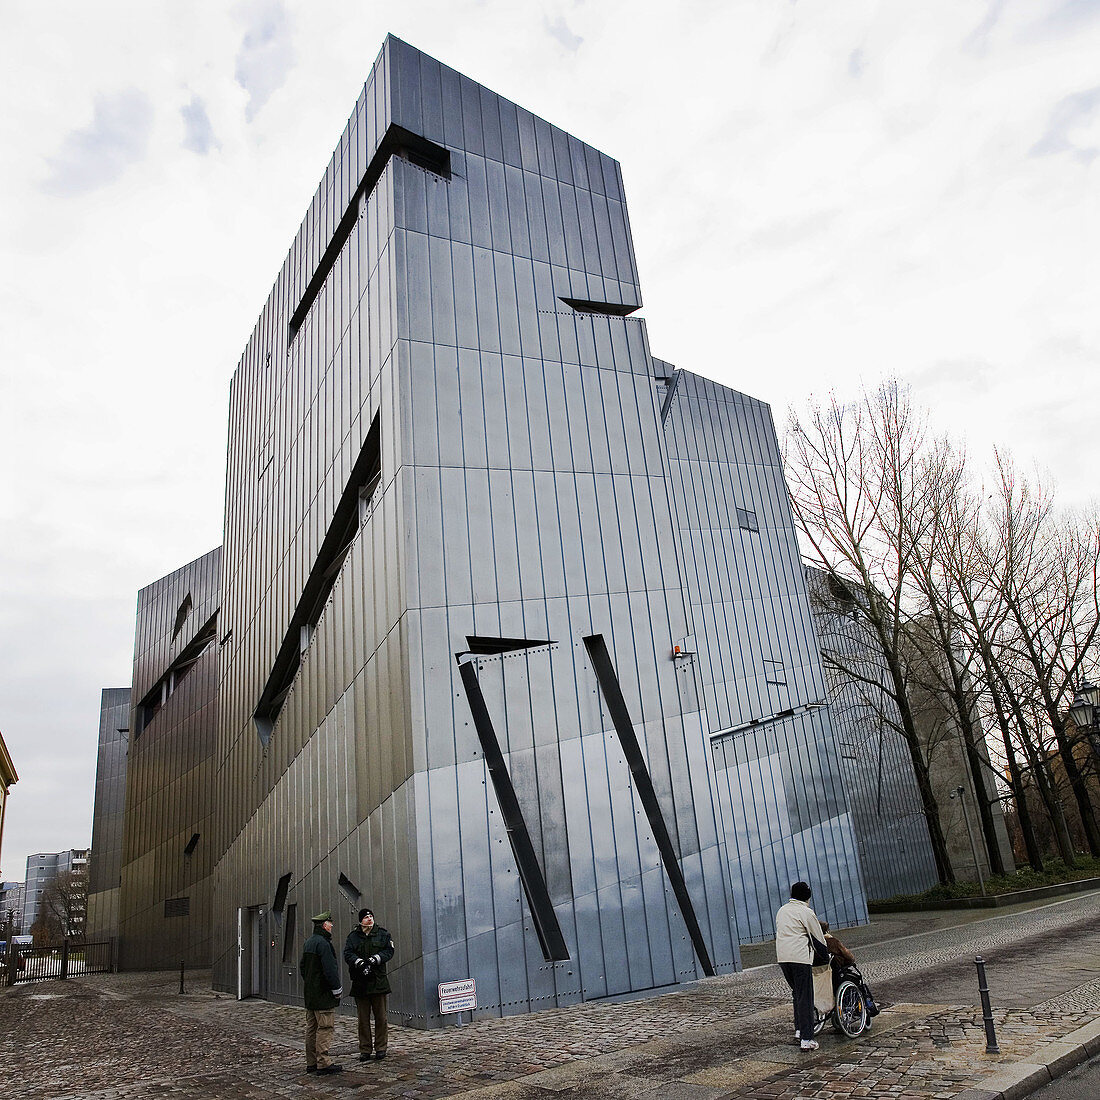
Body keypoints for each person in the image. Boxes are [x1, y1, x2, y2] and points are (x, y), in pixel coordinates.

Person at [775, 880, 827, 1051]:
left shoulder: (782, 910)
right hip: (799, 958)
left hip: (783, 958)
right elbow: (818, 939)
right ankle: (807, 1039)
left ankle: (799, 1030)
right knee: (805, 997)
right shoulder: (806, 912)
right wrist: (826, 956)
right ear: (808, 896)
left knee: (797, 994)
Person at [344, 907, 395, 1061]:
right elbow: (347, 953)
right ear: (361, 921)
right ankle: (365, 1049)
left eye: (371, 916)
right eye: (366, 917)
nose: (369, 919)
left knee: (381, 1018)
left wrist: (376, 958)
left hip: (378, 982)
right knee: (363, 1019)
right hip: (361, 983)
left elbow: (389, 951)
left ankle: (381, 1048)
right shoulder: (353, 937)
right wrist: (358, 962)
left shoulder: (383, 934)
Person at [300, 910, 343, 1075]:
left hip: (310, 994)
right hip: (323, 995)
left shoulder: (309, 942)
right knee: (325, 1027)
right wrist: (336, 990)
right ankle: (323, 1062)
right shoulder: (324, 944)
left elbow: (303, 968)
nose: (332, 926)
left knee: (311, 1028)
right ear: (325, 925)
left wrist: (311, 983)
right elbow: (330, 970)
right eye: (330, 923)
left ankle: (311, 1062)